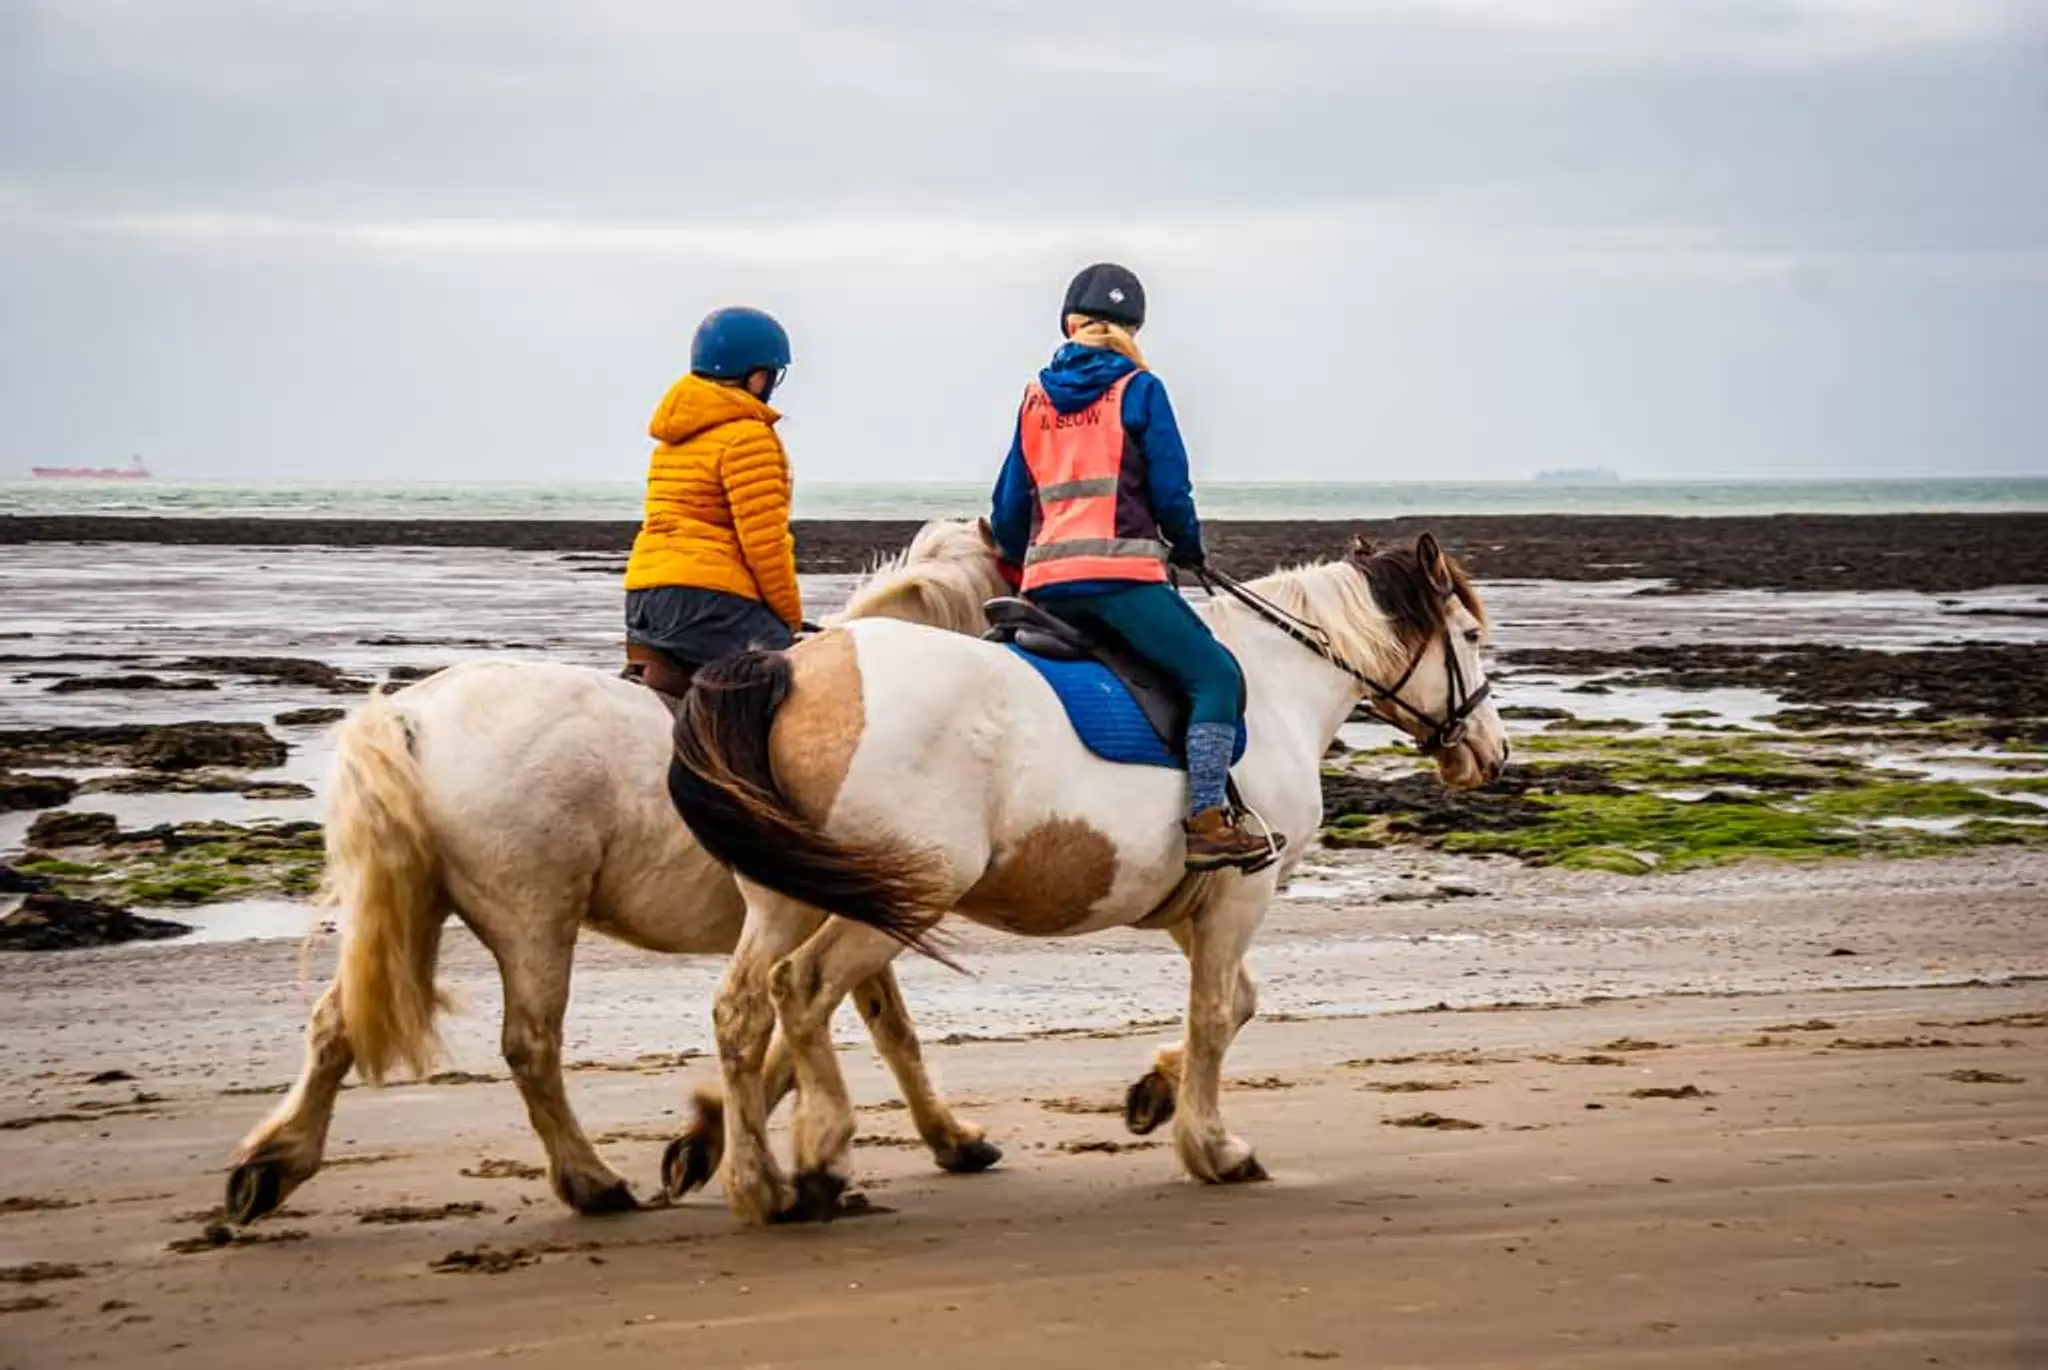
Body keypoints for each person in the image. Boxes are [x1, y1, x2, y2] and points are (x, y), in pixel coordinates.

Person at [989, 263, 1279, 872]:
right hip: (1120, 581)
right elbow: (1172, 489)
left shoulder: (1035, 399)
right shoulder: (1140, 389)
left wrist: (1022, 562)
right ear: (1133, 330)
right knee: (1215, 677)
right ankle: (1206, 819)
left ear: (1069, 324)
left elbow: (1009, 506)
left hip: (1047, 588)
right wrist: (1189, 547)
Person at [623, 306, 804, 698]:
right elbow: (764, 545)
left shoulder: (673, 440)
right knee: (804, 683)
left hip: (645, 599)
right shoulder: (749, 438)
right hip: (707, 603)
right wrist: (790, 619)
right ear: (757, 377)